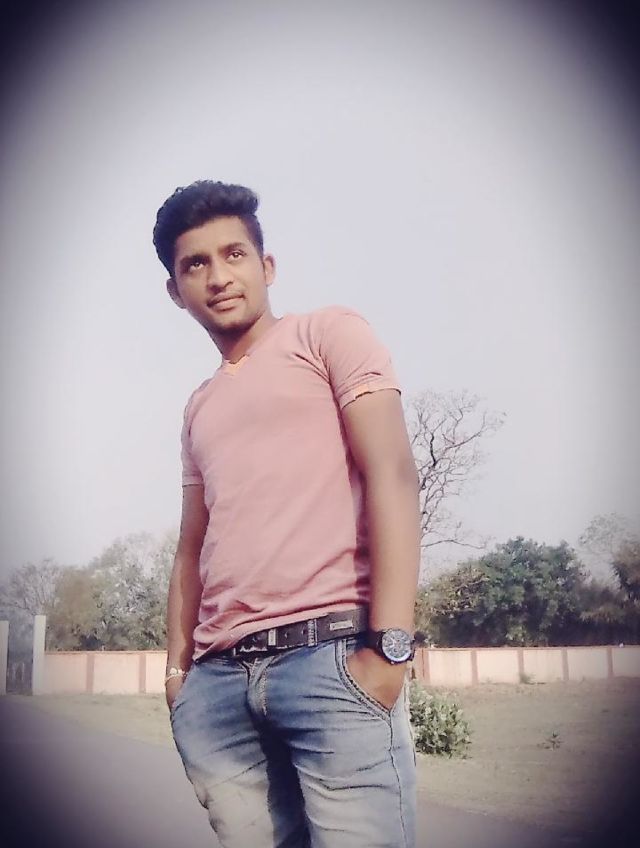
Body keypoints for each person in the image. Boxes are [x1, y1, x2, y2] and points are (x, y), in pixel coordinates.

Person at [152, 180, 421, 848]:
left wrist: (389, 649)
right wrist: (179, 674)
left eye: (234, 254)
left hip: (331, 662)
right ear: (176, 291)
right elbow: (192, 546)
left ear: (266, 266)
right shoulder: (198, 406)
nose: (219, 276)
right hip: (219, 690)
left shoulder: (327, 334)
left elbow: (391, 472)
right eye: (196, 264)